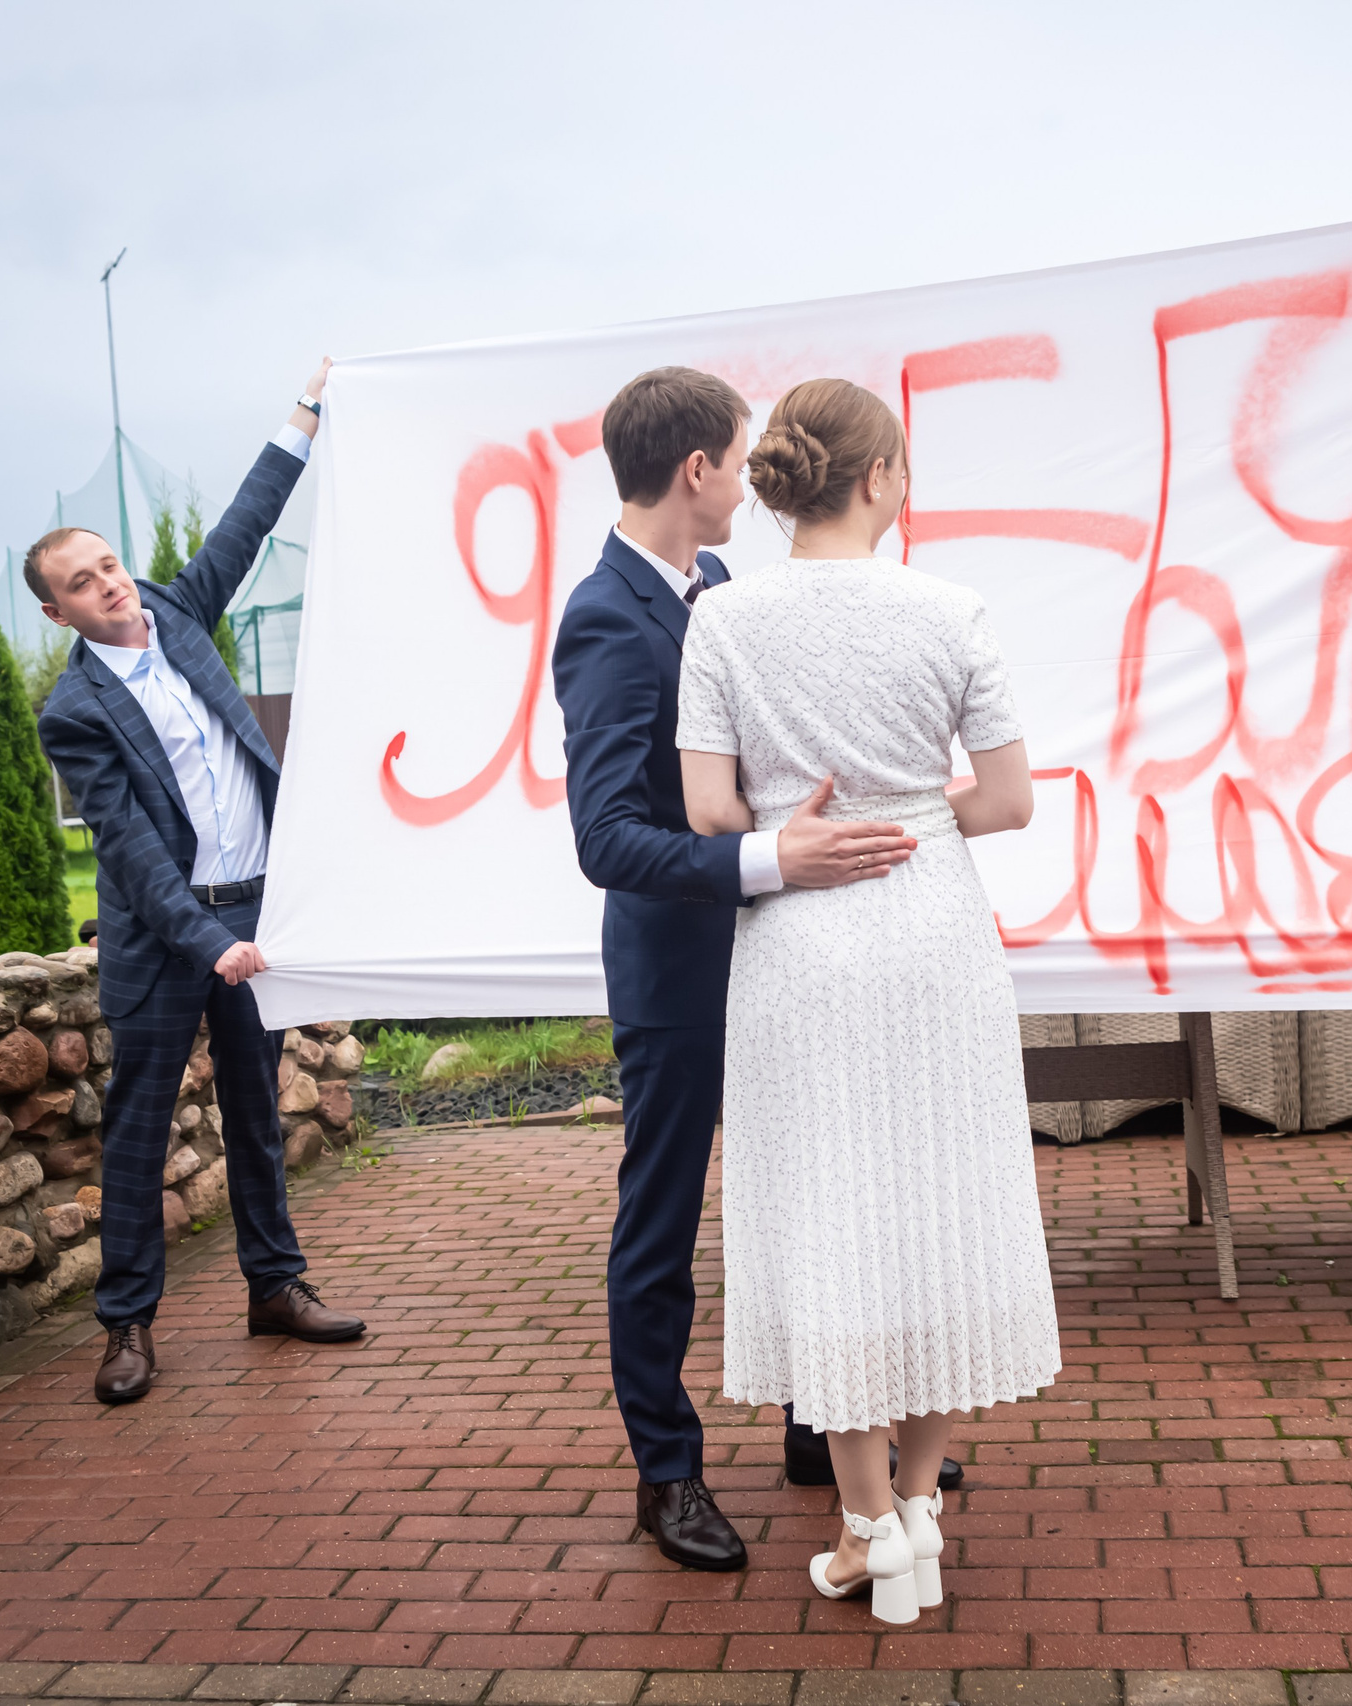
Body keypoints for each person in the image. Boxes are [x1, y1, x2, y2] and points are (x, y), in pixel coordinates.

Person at [678, 377, 1063, 1625]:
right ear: (883, 478)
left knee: (826, 1215)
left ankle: (865, 1532)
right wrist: (907, 818)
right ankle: (923, 1510)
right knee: (943, 1204)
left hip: (800, 945)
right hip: (935, 939)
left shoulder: (721, 621)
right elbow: (1005, 802)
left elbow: (708, 817)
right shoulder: (953, 609)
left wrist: (813, 828)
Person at [548, 367, 947, 1572]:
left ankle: (820, 1431)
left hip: (783, 960)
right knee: (660, 1225)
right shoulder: (607, 615)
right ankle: (664, 1473)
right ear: (696, 474)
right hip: (678, 972)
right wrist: (774, 852)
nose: (753, 471)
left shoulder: (716, 587)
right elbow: (604, 837)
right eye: (738, 452)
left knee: (810, 1192)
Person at [33, 360, 367, 1405]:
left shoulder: (180, 613)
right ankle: (126, 1326)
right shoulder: (73, 710)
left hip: (253, 908)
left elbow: (247, 520)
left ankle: (275, 1286)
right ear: (61, 612)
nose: (110, 582)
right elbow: (127, 848)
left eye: (109, 563)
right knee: (136, 1130)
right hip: (168, 941)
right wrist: (204, 939)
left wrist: (305, 418)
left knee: (257, 1113)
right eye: (84, 581)